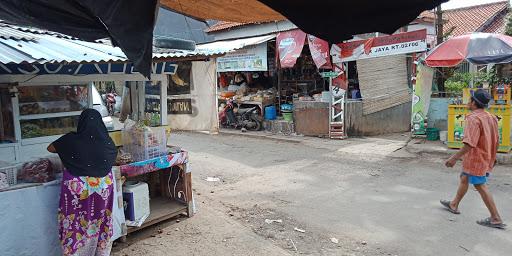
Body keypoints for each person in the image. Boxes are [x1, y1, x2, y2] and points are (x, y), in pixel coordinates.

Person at [47, 109, 118, 255]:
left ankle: (75, 251)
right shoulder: (108, 142)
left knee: (74, 224)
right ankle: (100, 251)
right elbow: (112, 158)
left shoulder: (70, 140)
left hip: (77, 191)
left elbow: (50, 148)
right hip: (103, 190)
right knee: (101, 220)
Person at [441, 89, 506, 229]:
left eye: (470, 99)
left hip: (476, 159)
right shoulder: (491, 117)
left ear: (474, 103)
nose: (467, 101)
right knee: (464, 178)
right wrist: (493, 157)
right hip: (486, 156)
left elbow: (469, 143)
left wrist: (453, 158)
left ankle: (495, 218)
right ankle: (454, 204)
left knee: (480, 185)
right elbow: (497, 140)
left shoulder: (473, 118)